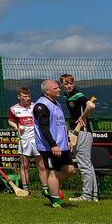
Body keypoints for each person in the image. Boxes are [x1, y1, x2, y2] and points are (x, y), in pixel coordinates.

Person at [31, 79, 74, 208]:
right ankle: (55, 200)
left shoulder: (56, 103)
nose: (59, 89)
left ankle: (51, 187)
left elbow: (60, 125)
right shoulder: (41, 106)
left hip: (62, 144)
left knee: (70, 170)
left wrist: (67, 140)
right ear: (47, 91)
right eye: (55, 88)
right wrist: (53, 144)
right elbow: (43, 128)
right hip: (50, 147)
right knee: (54, 172)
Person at [61, 73, 98, 202]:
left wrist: (83, 116)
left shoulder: (77, 95)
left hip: (82, 132)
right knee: (88, 164)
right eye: (66, 83)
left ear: (74, 83)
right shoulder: (68, 96)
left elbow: (91, 105)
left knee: (84, 165)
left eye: (71, 83)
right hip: (79, 132)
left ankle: (87, 196)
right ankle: (93, 195)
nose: (69, 85)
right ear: (62, 85)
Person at [7, 86, 37, 193]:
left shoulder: (35, 106)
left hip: (37, 140)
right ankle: (25, 189)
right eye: (25, 96)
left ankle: (45, 189)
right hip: (24, 140)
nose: (28, 98)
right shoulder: (14, 109)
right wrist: (16, 126)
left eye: (29, 96)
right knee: (24, 165)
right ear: (19, 97)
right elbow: (10, 120)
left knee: (42, 165)